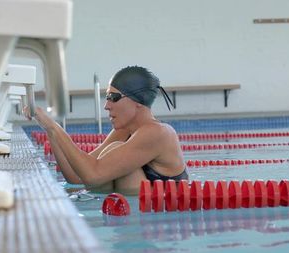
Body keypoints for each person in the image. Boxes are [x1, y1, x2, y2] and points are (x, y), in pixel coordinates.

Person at [27, 66, 187, 195]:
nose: (106, 105)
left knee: (117, 161)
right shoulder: (124, 131)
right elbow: (77, 176)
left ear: (138, 101)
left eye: (113, 97)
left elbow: (92, 175)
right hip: (124, 214)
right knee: (111, 154)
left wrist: (54, 128)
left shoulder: (158, 133)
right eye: (107, 97)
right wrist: (50, 130)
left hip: (155, 223)